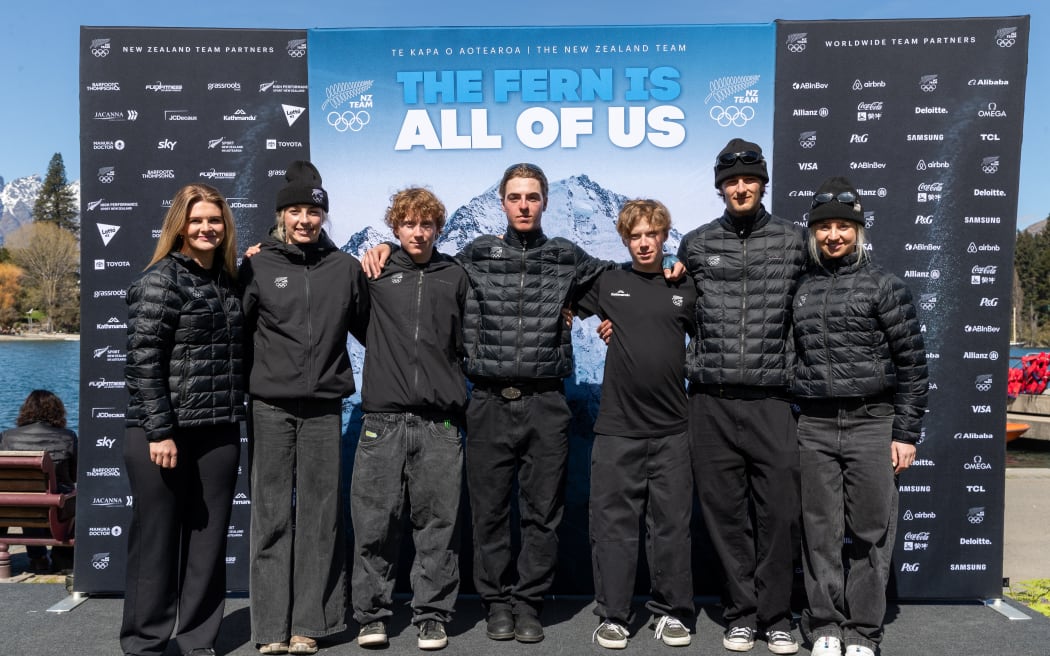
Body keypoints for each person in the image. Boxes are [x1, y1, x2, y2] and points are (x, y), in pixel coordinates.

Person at [362, 163, 616, 644]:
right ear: (502, 202)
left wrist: (616, 307)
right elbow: (425, 269)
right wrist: (386, 249)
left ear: (545, 202)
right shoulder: (473, 255)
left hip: (546, 404)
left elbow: (620, 289)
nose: (524, 205)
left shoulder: (567, 256)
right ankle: (497, 601)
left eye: (533, 197)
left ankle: (529, 602)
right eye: (515, 197)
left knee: (542, 512)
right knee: (490, 511)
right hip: (487, 402)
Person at [677, 139, 806, 654]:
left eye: (749, 179)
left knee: (779, 514)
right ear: (720, 186)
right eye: (731, 181)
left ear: (762, 182)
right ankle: (741, 614)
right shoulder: (696, 243)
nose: (740, 187)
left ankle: (777, 615)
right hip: (709, 400)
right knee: (725, 517)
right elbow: (674, 307)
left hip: (773, 400)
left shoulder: (797, 241)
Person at [790, 177, 927, 656]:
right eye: (824, 226)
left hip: (874, 423)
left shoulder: (885, 286)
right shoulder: (800, 288)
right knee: (819, 530)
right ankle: (825, 625)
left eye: (842, 226)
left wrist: (906, 432)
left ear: (858, 230)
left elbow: (913, 364)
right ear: (813, 232)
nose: (833, 235)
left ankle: (863, 631)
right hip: (815, 424)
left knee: (872, 532)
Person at [241, 161, 369, 656]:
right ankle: (271, 628)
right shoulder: (256, 266)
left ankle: (309, 626)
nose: (304, 219)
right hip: (270, 406)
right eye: (295, 210)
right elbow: (231, 331)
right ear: (280, 216)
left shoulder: (346, 269)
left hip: (323, 410)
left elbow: (376, 331)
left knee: (320, 517)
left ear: (323, 217)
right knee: (271, 517)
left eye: (313, 211)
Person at [121, 183, 245, 656]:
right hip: (161, 434)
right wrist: (161, 431)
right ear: (179, 227)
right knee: (155, 544)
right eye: (196, 221)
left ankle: (197, 641)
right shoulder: (161, 280)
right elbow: (142, 360)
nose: (206, 228)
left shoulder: (231, 281)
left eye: (214, 220)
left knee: (208, 543)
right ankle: (145, 643)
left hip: (218, 431)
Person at [350, 187, 468, 651]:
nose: (418, 233)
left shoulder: (454, 275)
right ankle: (372, 615)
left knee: (438, 524)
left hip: (439, 424)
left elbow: (468, 336)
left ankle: (432, 615)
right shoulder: (375, 273)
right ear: (394, 228)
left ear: (438, 228)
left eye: (426, 224)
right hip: (383, 421)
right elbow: (356, 320)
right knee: (374, 522)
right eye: (408, 224)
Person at [576, 200, 697, 650]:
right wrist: (599, 324)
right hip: (617, 428)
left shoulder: (685, 286)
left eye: (652, 234)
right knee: (613, 525)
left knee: (671, 525)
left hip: (672, 428)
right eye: (635, 236)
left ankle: (672, 612)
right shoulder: (609, 282)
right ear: (625, 240)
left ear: (664, 236)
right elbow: (564, 305)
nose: (644, 243)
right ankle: (613, 615)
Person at [0, 389, 77, 573]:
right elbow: (74, 476)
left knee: (26, 495)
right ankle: (63, 558)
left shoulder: (7, 437)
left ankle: (38, 559)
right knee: (74, 498)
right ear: (58, 411)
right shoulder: (67, 436)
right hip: (54, 507)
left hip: (12, 507)